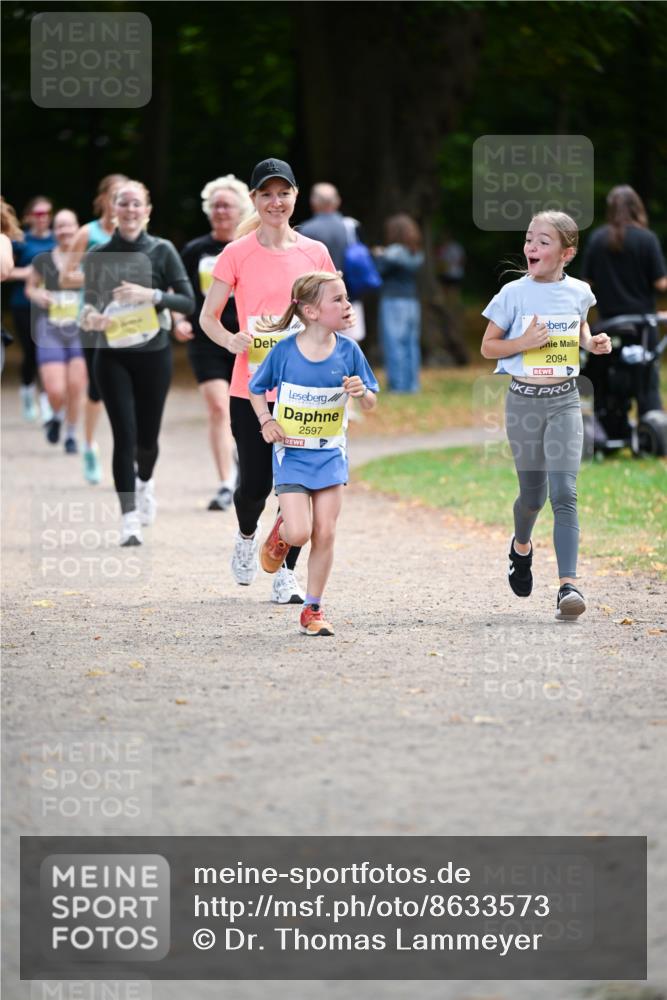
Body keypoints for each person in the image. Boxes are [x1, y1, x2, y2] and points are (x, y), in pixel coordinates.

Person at [200, 157, 338, 605]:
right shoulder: (236, 253)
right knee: (256, 484)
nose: (275, 202)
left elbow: (333, 308)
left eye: (283, 193)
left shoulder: (314, 252)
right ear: (255, 200)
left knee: (297, 486)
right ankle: (245, 535)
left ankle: (286, 574)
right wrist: (231, 339)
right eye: (266, 194)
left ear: (295, 197)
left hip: (306, 389)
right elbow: (208, 317)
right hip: (252, 386)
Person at [481, 210, 612, 621]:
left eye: (542, 241)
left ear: (566, 252)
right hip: (522, 402)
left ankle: (567, 586)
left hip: (564, 401)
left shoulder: (579, 292)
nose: (531, 248)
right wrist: (522, 341)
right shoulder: (513, 293)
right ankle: (521, 547)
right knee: (533, 496)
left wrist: (594, 343)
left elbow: (579, 332)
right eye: (528, 239)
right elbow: (488, 347)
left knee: (565, 492)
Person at [248, 271, 378, 636]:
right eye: (337, 299)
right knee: (301, 532)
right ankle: (281, 531)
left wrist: (360, 392)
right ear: (311, 311)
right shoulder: (285, 351)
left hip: (330, 456)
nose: (347, 305)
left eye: (346, 297)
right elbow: (256, 388)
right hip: (291, 455)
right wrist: (265, 421)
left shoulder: (349, 350)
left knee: (326, 532)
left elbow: (371, 401)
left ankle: (312, 607)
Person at [80, 180, 195, 546]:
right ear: (113, 210)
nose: (130, 210)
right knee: (124, 436)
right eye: (123, 204)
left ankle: (145, 482)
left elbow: (189, 302)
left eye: (136, 205)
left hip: (153, 354)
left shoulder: (162, 251)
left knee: (147, 440)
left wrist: (153, 295)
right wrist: (91, 319)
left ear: (147, 211)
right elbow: (88, 309)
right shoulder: (97, 255)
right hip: (111, 356)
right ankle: (128, 518)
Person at [174, 175, 253, 511]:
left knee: (246, 411)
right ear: (209, 211)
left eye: (228, 205)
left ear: (241, 210)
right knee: (219, 408)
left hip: (249, 340)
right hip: (208, 337)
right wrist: (178, 320)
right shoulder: (195, 251)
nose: (221, 211)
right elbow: (181, 293)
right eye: (216, 205)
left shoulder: (251, 247)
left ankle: (246, 465)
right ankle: (225, 483)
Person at [581, 185, 667, 430]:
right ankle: (652, 428)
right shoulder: (646, 239)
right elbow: (661, 282)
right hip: (642, 325)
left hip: (609, 326)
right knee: (646, 378)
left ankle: (609, 425)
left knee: (605, 376)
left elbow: (586, 283)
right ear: (637, 208)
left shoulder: (598, 239)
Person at [63, 174, 129, 484]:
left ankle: (127, 451)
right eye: (115, 196)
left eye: (126, 197)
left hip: (128, 319)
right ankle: (89, 445)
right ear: (102, 198)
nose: (120, 203)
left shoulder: (134, 231)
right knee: (97, 390)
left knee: (129, 387)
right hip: (91, 320)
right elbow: (65, 278)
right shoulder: (86, 233)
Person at [24, 208, 86, 452]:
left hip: (81, 328)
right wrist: (39, 295)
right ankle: (56, 415)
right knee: (55, 389)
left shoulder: (88, 258)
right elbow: (30, 287)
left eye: (69, 225)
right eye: (60, 226)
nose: (65, 231)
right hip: (50, 327)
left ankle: (70, 433)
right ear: (54, 230)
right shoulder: (43, 259)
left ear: (78, 228)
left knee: (76, 385)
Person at [299, 182, 367, 343]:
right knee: (350, 346)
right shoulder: (351, 226)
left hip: (318, 300)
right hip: (350, 296)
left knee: (322, 346)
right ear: (337, 201)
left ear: (313, 202)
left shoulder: (306, 230)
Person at [7, 196, 56, 422]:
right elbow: (5, 270)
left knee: (45, 351)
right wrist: (26, 273)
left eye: (46, 213)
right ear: (28, 217)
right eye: (37, 214)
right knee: (31, 352)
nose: (42, 218)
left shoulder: (58, 240)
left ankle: (46, 401)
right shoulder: (20, 241)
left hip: (50, 305)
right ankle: (27, 391)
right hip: (22, 304)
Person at [374, 213, 424, 393]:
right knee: (411, 344)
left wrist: (379, 255)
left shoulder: (392, 251)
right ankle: (412, 385)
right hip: (412, 302)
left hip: (394, 301)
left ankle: (397, 386)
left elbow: (379, 271)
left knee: (394, 343)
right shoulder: (415, 251)